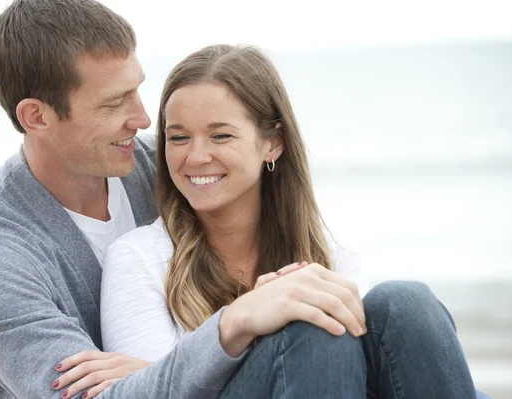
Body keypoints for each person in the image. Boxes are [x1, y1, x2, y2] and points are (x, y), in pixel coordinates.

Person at [90, 44, 491, 398]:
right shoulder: (139, 259)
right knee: (311, 324)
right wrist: (244, 321)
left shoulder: (332, 258)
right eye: (178, 138)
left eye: (220, 136)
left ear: (273, 142)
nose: (195, 157)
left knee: (405, 302)